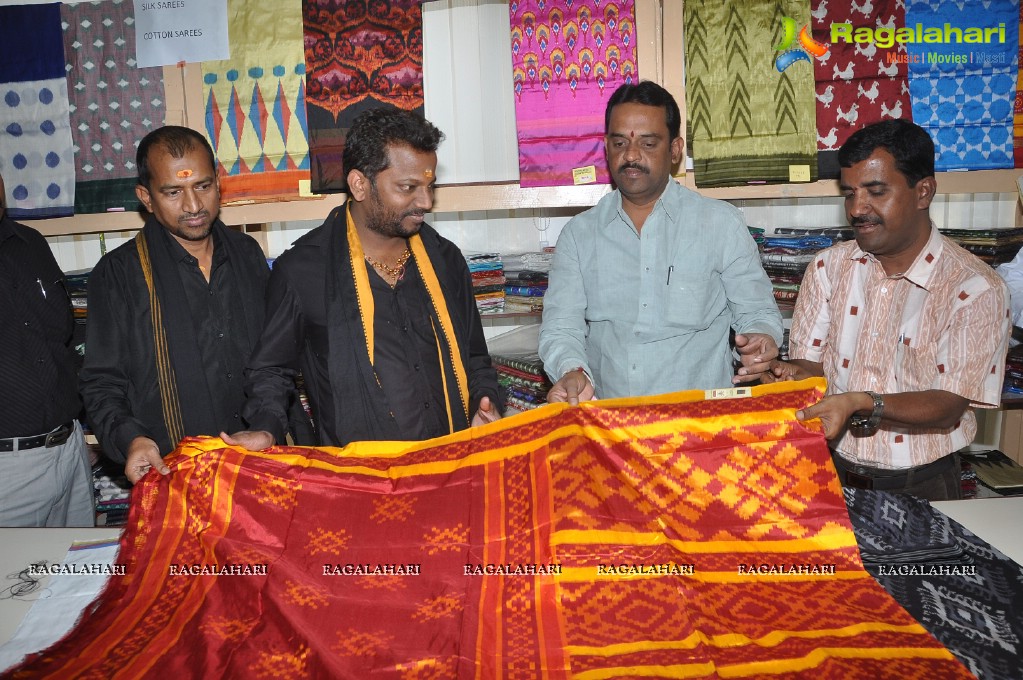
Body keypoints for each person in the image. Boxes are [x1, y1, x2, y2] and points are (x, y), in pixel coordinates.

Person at [226, 108, 501, 450]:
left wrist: (484, 402)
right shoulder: (302, 271)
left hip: (452, 469)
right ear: (359, 184)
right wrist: (266, 428)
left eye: (429, 187)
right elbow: (271, 371)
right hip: (361, 483)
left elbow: (476, 358)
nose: (426, 202)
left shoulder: (445, 259)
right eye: (408, 187)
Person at [767, 119, 1010, 501]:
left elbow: (948, 404)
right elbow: (812, 368)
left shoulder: (974, 287)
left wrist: (862, 402)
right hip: (831, 473)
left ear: (923, 192)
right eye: (849, 193)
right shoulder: (827, 268)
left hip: (925, 486)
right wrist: (788, 375)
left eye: (876, 192)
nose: (857, 208)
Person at [538, 81, 783, 403]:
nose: (631, 155)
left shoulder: (719, 224)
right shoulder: (579, 234)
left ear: (675, 149)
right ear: (606, 148)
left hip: (700, 428)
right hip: (612, 427)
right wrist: (571, 370)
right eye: (619, 142)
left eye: (649, 143)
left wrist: (761, 339)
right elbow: (561, 327)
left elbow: (757, 311)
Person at [79, 126, 298, 484]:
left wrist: (269, 425)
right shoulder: (119, 274)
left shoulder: (247, 254)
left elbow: (274, 359)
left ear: (218, 183)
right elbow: (102, 383)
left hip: (261, 461)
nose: (194, 206)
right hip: (175, 471)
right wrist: (131, 438)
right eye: (173, 192)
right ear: (146, 198)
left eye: (203, 186)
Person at [0, 171, 94, 526]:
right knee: (15, 581)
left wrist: (70, 436)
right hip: (6, 472)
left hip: (68, 453)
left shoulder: (31, 244)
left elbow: (61, 340)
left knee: (79, 572)